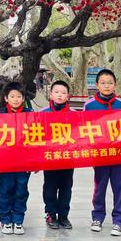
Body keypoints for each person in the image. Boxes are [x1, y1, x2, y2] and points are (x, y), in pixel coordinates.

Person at [84, 69, 121, 236]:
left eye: (110, 83)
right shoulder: (89, 106)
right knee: (100, 186)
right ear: (97, 85)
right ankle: (98, 217)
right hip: (100, 154)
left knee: (119, 187)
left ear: (115, 85)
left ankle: (119, 220)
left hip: (119, 155)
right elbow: (83, 130)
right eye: (103, 83)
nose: (107, 86)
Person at [0, 82, 33, 235]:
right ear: (6, 98)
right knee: (5, 190)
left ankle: (18, 220)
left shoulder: (30, 114)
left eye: (19, 96)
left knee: (21, 191)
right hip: (4, 161)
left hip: (24, 162)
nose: (16, 99)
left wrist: (35, 161)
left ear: (23, 98)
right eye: (12, 96)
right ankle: (5, 220)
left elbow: (35, 139)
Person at [40, 80, 75, 230]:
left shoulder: (74, 115)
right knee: (50, 187)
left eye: (63, 93)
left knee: (66, 187)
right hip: (49, 158)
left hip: (68, 158)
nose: (60, 95)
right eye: (57, 92)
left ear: (68, 96)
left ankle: (63, 215)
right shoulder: (42, 113)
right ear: (51, 94)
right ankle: (51, 214)